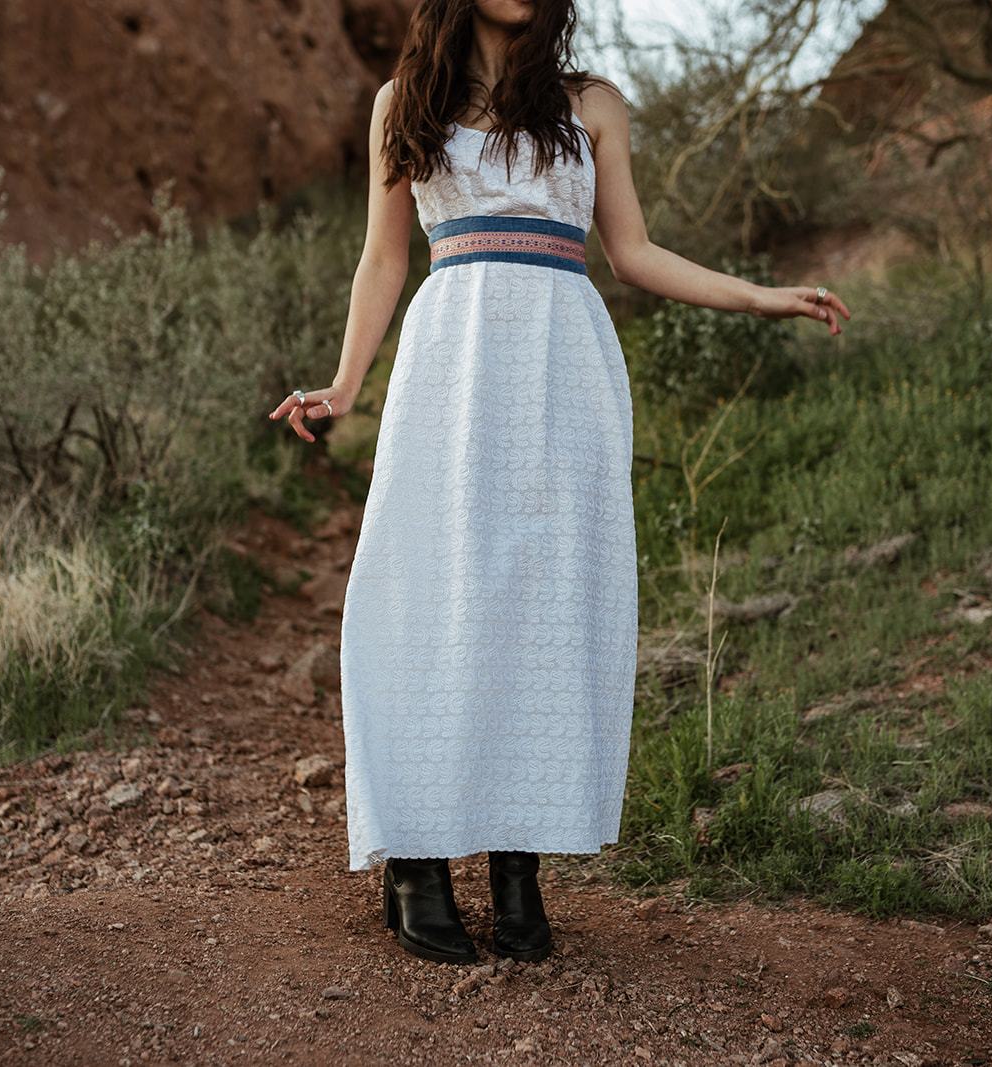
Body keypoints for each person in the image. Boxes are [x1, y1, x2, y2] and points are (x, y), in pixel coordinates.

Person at [267, 0, 850, 966]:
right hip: (451, 364)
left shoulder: (593, 105)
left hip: (565, 368)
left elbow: (634, 253)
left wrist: (758, 297)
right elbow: (383, 257)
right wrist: (346, 383)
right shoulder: (403, 102)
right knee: (428, 598)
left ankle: (518, 868)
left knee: (543, 606)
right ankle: (416, 862)